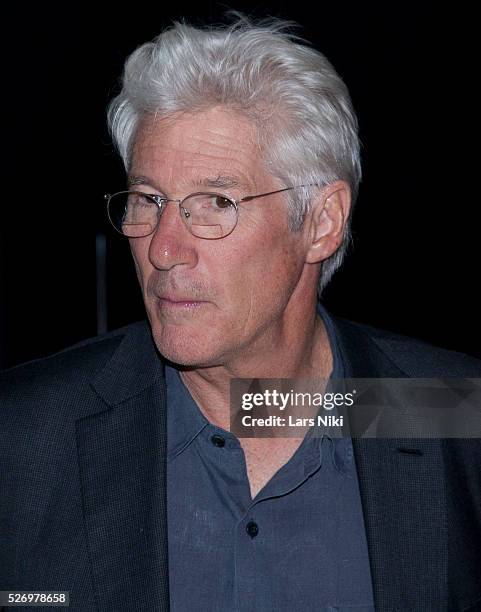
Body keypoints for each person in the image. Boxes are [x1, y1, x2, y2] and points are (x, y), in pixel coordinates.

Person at [1, 15, 480, 612]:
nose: (163, 249)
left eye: (215, 203)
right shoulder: (23, 436)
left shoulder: (452, 415)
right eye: (149, 201)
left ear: (322, 222)